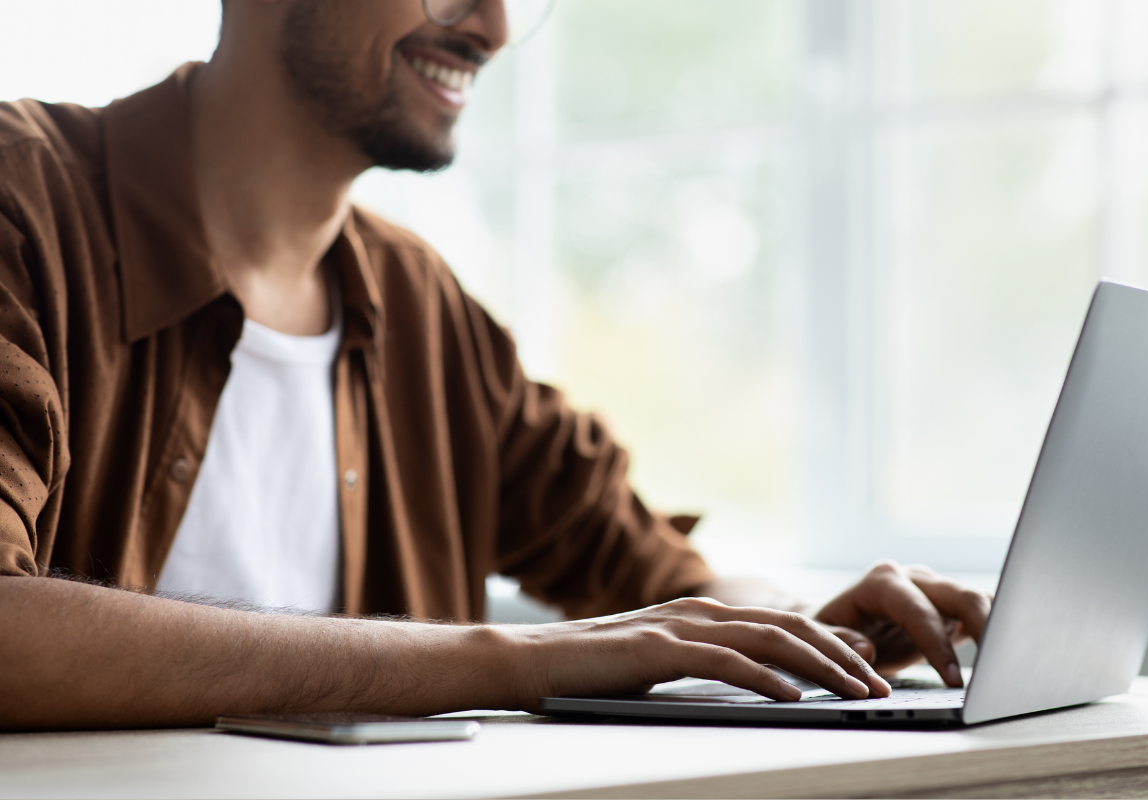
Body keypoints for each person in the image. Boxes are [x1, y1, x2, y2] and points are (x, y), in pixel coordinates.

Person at [0, 0, 991, 731]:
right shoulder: (23, 206)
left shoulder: (423, 308)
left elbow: (638, 567)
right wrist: (505, 658)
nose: (498, 23)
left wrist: (815, 635)